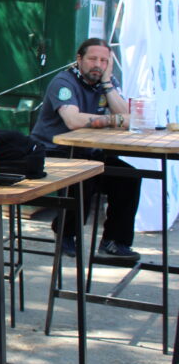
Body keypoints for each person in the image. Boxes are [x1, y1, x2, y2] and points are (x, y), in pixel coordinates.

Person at [30, 37, 142, 261]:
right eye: (93, 59)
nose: (98, 65)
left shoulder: (107, 83)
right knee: (84, 177)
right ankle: (65, 233)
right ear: (79, 59)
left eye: (104, 60)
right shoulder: (63, 82)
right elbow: (73, 120)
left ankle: (114, 242)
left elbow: (128, 118)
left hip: (88, 152)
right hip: (53, 152)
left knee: (129, 177)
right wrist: (114, 120)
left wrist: (107, 83)